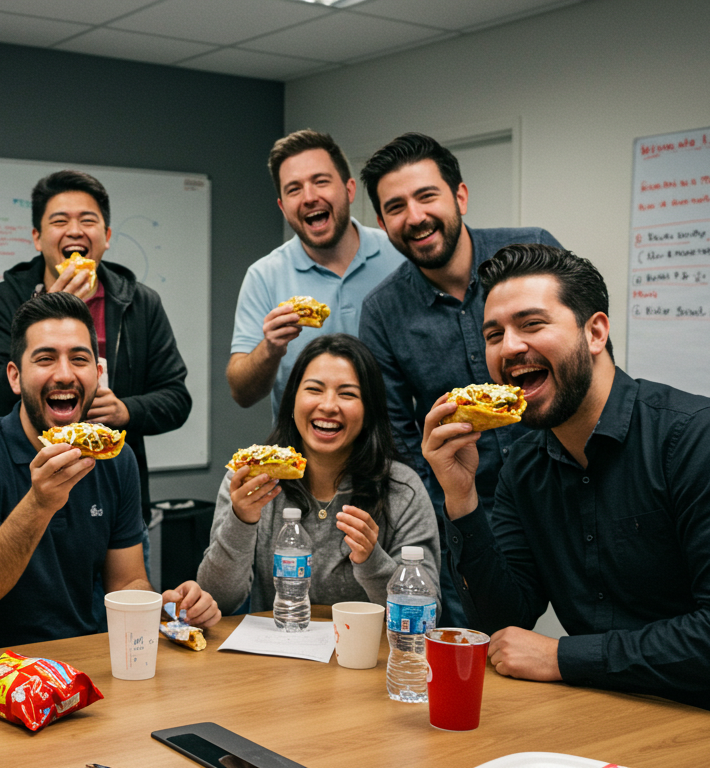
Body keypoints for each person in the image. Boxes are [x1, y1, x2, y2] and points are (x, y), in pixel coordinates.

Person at [421, 243, 710, 738]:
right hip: (618, 718)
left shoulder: (707, 441)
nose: (508, 348)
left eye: (531, 324)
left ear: (595, 332)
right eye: (494, 334)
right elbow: (504, 622)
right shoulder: (526, 465)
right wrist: (461, 499)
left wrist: (563, 656)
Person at [357, 132, 564, 625]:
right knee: (478, 646)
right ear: (383, 223)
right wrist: (450, 507)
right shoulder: (383, 311)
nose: (415, 216)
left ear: (460, 197)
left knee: (606, 628)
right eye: (395, 207)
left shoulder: (532, 251)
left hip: (565, 483)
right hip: (473, 509)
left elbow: (586, 366)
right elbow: (398, 437)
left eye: (427, 195)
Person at [0, 292, 219, 654]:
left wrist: (165, 607)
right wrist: (39, 503)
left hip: (84, 658)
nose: (65, 374)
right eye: (45, 359)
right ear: (14, 376)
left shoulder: (116, 458)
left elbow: (128, 579)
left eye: (79, 359)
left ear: (98, 374)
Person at [0, 169, 191, 523]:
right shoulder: (0, 301)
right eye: (60, 221)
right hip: (23, 481)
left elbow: (177, 399)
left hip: (113, 483)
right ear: (38, 238)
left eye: (88, 220)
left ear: (107, 236)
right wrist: (44, 315)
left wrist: (125, 411)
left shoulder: (139, 302)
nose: (74, 231)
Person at [199, 334, 438, 613]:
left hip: (367, 654)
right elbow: (216, 599)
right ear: (292, 401)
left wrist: (371, 560)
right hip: (277, 650)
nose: (328, 406)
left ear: (369, 411)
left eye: (347, 394)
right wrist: (241, 520)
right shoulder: (251, 480)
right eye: (314, 389)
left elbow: (427, 613)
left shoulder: (402, 488)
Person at [227, 129, 405, 413]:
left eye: (320, 182)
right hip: (306, 451)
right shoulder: (265, 276)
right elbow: (241, 392)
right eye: (294, 189)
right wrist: (270, 349)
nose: (309, 197)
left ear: (349, 190)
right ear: (283, 208)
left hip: (396, 448)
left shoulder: (401, 256)